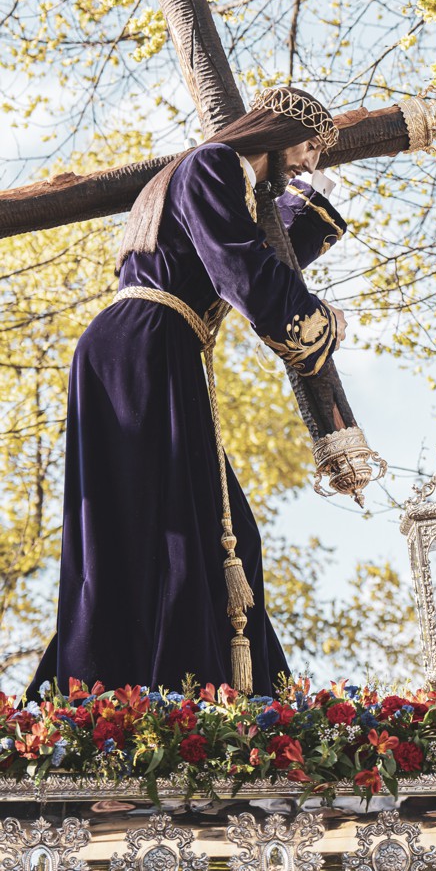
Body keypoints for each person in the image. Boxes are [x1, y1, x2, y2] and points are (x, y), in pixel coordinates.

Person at [27, 86, 347, 699]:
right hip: (144, 349)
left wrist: (312, 208)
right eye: (309, 147)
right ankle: (165, 694)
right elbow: (242, 270)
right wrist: (319, 321)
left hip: (144, 350)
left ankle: (145, 692)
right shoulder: (213, 164)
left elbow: (254, 259)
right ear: (280, 133)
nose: (310, 162)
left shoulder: (220, 181)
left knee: (184, 527)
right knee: (186, 529)